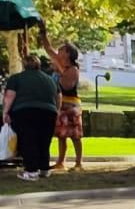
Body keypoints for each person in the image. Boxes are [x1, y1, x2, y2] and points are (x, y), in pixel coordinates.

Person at [2, 51, 59, 181]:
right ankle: (44, 169)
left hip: (25, 111)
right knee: (44, 140)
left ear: (24, 65)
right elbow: (58, 96)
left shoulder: (16, 78)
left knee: (29, 140)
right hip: (49, 112)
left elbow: (10, 96)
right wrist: (57, 110)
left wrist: (5, 112)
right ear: (38, 65)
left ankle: (31, 171)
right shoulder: (49, 79)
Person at [38, 24, 83, 172]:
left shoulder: (73, 69)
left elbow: (67, 86)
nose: (59, 51)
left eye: (63, 50)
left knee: (75, 135)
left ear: (69, 54)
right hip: (60, 103)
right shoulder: (58, 62)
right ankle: (61, 161)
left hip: (71, 105)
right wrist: (43, 33)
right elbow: (48, 48)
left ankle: (78, 163)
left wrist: (59, 71)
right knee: (61, 134)